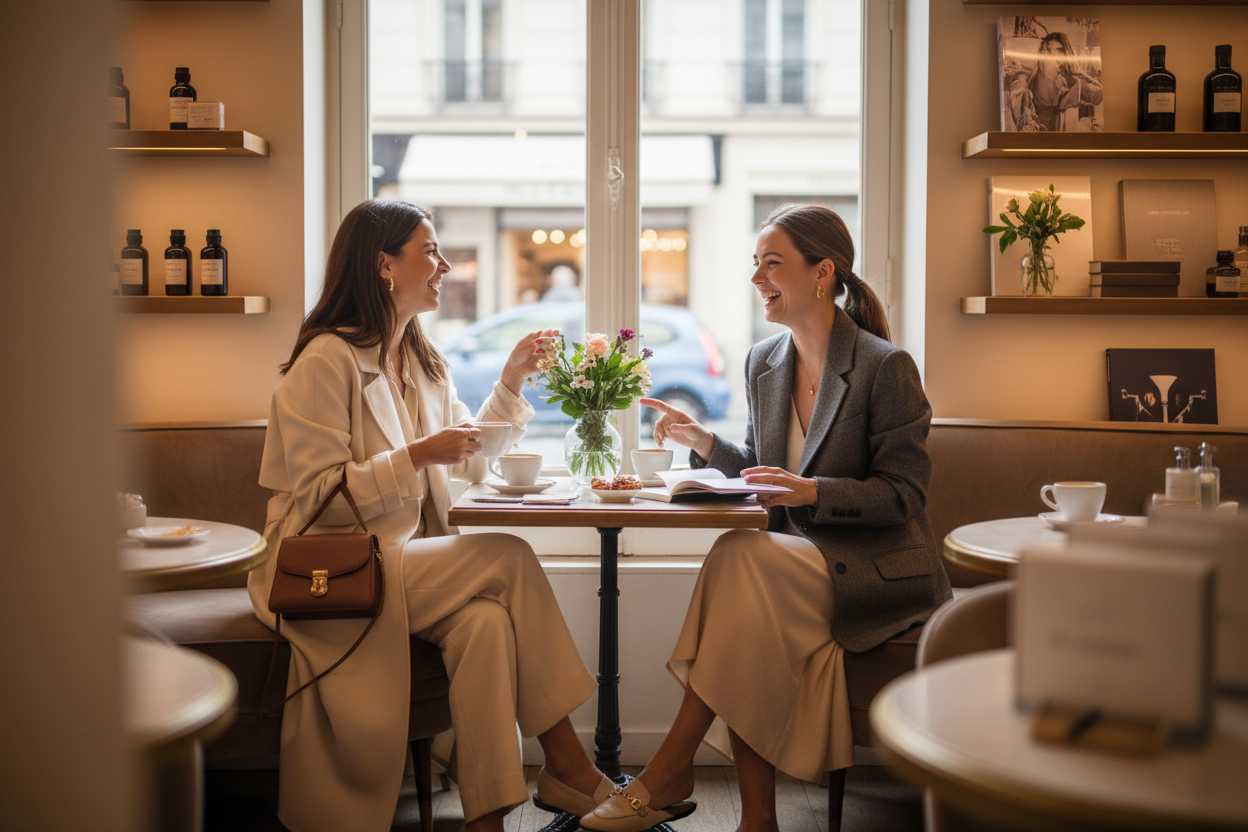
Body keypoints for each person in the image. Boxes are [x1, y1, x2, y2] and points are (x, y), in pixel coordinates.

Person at [581, 204, 952, 832]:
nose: (757, 278)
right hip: (789, 566)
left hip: (875, 571)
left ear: (822, 272)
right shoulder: (764, 363)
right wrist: (704, 444)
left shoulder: (885, 367)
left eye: (772, 263)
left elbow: (905, 494)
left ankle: (674, 771)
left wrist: (811, 494)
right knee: (743, 593)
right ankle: (755, 818)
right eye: (755, 264)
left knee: (738, 558)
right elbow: (760, 470)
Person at [248, 199, 614, 832]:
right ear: (384, 265)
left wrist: (512, 380)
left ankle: (487, 820)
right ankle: (570, 768)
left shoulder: (418, 361)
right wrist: (414, 455)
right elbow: (315, 499)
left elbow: (467, 461)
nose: (445, 265)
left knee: (486, 625)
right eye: (431, 251)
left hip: (401, 564)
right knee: (508, 555)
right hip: (330, 571)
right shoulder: (327, 362)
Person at [1007, 31, 1103, 132]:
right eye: (1048, 50)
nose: (1053, 54)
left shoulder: (1069, 79)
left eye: (1059, 49)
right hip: (1038, 136)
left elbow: (1098, 95)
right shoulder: (1028, 78)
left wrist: (1078, 74)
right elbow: (1019, 94)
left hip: (1062, 136)